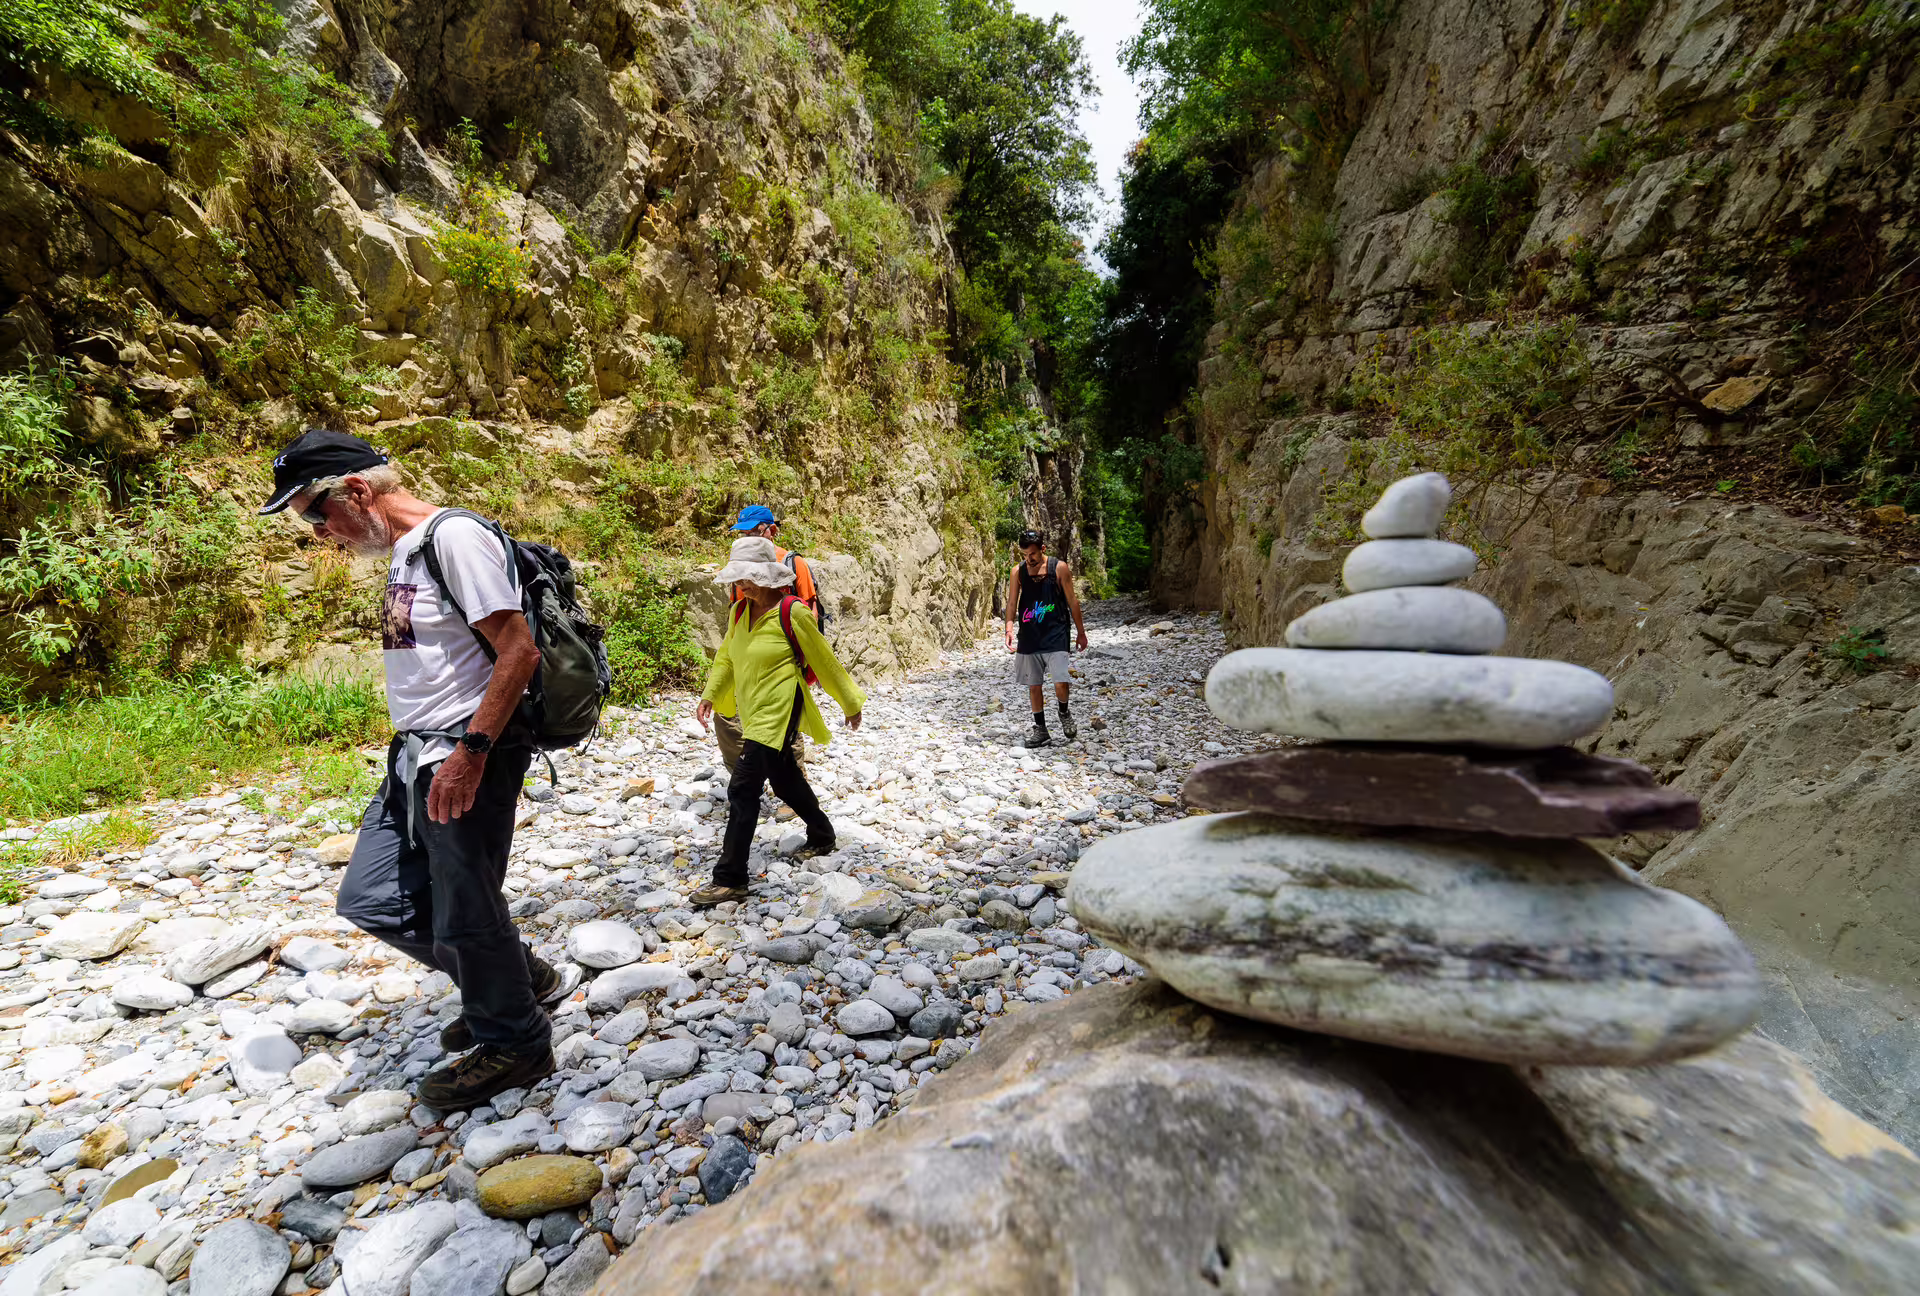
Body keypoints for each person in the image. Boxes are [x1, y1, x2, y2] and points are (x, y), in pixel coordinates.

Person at [259, 428, 572, 1110]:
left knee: (465, 905)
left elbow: (518, 652)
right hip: (418, 752)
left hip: (466, 751)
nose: (320, 535)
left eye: (315, 515)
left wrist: (472, 754)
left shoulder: (453, 538)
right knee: (374, 898)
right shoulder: (404, 551)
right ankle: (518, 982)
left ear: (359, 491)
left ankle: (516, 1041)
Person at [692, 536, 863, 907]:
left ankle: (730, 878)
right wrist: (709, 694)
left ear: (768, 576)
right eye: (738, 578)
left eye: (748, 577)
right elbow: (726, 659)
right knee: (785, 779)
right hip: (752, 712)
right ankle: (822, 835)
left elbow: (825, 661)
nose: (742, 584)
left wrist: (850, 703)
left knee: (742, 789)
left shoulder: (793, 612)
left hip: (779, 711)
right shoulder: (739, 613)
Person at [713, 504, 817, 773]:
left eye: (754, 531)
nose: (748, 537)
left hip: (780, 660)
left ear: (771, 530)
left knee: (784, 724)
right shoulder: (739, 562)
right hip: (745, 657)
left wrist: (803, 665)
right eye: (743, 532)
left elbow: (809, 615)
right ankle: (744, 779)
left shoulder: (794, 564)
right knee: (727, 718)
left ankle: (794, 786)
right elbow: (737, 610)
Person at [1004, 528, 1088, 748]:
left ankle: (1063, 711)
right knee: (1034, 685)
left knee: (1060, 680)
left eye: (1032, 554)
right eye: (1024, 555)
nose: (1028, 559)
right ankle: (1041, 729)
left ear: (1042, 549)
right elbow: (1012, 603)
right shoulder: (1018, 572)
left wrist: (1081, 632)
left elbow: (1073, 602)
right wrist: (1009, 628)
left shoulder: (1059, 568)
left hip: (1056, 633)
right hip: (1029, 636)